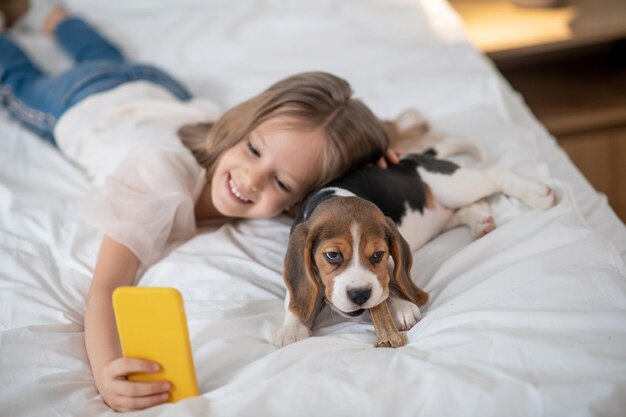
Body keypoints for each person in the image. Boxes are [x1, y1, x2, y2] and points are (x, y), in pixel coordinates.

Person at [0, 4, 410, 412]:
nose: (251, 179)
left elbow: (332, 171)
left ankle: (57, 20)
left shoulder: (284, 183)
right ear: (241, 125)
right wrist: (108, 371)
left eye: (281, 182)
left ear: (298, 201)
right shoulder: (155, 177)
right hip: (80, 103)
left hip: (160, 90)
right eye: (252, 149)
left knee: (105, 58)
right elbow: (106, 287)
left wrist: (377, 160)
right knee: (19, 80)